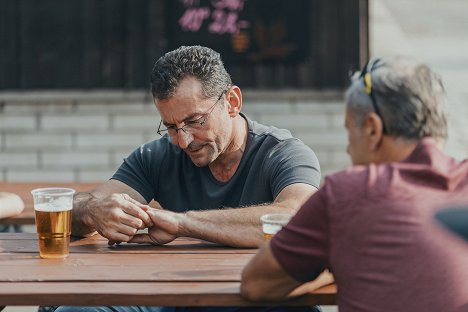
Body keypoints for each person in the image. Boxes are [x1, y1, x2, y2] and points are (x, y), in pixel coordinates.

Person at [57, 46, 323, 312]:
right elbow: (74, 208)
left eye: (195, 121)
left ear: (232, 102)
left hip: (263, 300)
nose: (183, 141)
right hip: (181, 298)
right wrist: (94, 211)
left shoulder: (284, 153)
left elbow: (297, 221)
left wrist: (182, 223)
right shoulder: (156, 155)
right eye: (171, 127)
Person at [240, 56, 468, 312]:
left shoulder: (348, 193)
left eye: (349, 131)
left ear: (372, 129)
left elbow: (256, 283)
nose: (348, 149)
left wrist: (333, 263)